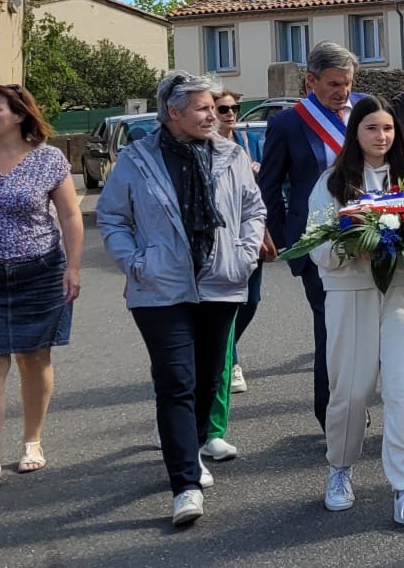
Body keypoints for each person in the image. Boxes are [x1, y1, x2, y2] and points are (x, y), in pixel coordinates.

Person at [98, 72, 266, 527]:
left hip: (221, 281)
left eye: (214, 106)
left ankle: (188, 452)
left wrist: (245, 254)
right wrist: (136, 262)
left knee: (209, 378)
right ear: (173, 113)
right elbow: (112, 217)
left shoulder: (231, 154)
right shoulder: (137, 158)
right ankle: (185, 485)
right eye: (203, 108)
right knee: (176, 381)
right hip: (160, 289)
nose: (213, 114)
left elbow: (254, 209)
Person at [310, 96, 404, 530]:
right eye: (371, 129)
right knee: (351, 388)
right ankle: (340, 468)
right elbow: (318, 246)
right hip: (351, 293)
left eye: (387, 129)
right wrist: (354, 248)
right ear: (356, 133)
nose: (380, 137)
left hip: (402, 292)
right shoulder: (332, 182)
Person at [0, 85, 83, 488]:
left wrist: (74, 268)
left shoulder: (49, 159)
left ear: (18, 114)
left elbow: (69, 216)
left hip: (40, 271)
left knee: (34, 358)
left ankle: (32, 440)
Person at [259, 43, 364, 430]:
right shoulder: (288, 123)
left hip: (370, 236)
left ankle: (357, 397)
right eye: (334, 84)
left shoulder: (366, 110)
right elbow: (269, 186)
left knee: (365, 327)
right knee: (331, 330)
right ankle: (332, 414)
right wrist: (287, 237)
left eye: (348, 84)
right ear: (311, 81)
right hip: (317, 242)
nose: (343, 92)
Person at [200, 88, 271, 462]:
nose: (224, 115)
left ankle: (213, 430)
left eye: (230, 109)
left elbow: (254, 206)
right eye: (215, 108)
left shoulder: (238, 150)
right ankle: (178, 424)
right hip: (178, 273)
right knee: (181, 359)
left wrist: (248, 248)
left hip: (230, 264)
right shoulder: (157, 154)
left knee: (222, 351)